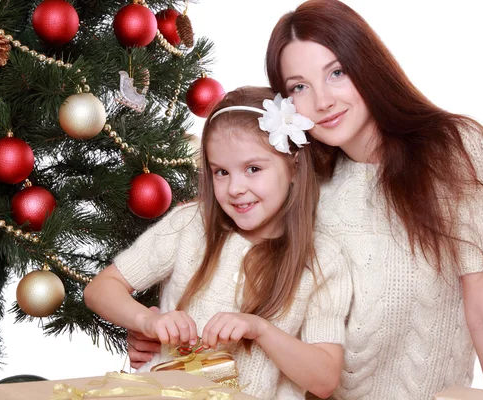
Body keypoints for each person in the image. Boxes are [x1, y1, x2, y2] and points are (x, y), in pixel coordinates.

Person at [128, 1, 483, 399]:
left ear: (368, 66)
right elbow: (239, 285)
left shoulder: (453, 152)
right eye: (299, 87)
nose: (322, 101)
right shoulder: (299, 182)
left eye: (337, 72)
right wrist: (160, 335)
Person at [84, 86, 353, 400]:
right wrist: (148, 321)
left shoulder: (322, 260)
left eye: (253, 169)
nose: (235, 188)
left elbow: (324, 379)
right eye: (221, 172)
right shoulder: (191, 225)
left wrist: (260, 329)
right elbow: (101, 289)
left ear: (293, 166)